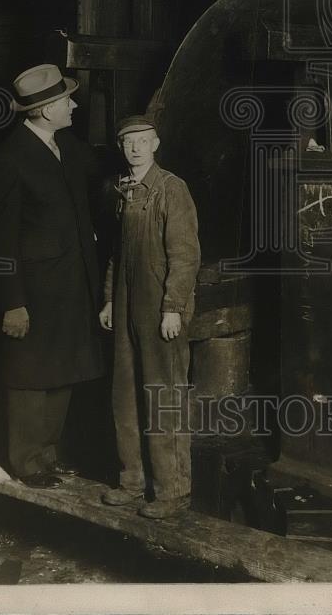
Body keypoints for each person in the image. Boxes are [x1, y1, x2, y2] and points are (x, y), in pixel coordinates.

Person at [0, 64, 103, 488]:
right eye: (65, 101)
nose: (73, 104)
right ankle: (27, 461)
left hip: (72, 284)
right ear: (42, 111)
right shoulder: (10, 159)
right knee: (31, 374)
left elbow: (100, 174)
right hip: (33, 292)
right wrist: (12, 302)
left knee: (64, 368)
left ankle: (49, 455)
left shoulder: (67, 147)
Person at [99, 115, 200, 519]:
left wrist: (173, 307)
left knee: (164, 397)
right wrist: (109, 300)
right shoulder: (121, 190)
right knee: (125, 396)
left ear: (156, 143)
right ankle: (132, 481)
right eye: (128, 142)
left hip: (159, 308)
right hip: (125, 305)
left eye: (143, 141)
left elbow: (186, 256)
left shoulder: (171, 190)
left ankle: (173, 492)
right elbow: (115, 255)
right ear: (121, 148)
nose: (136, 148)